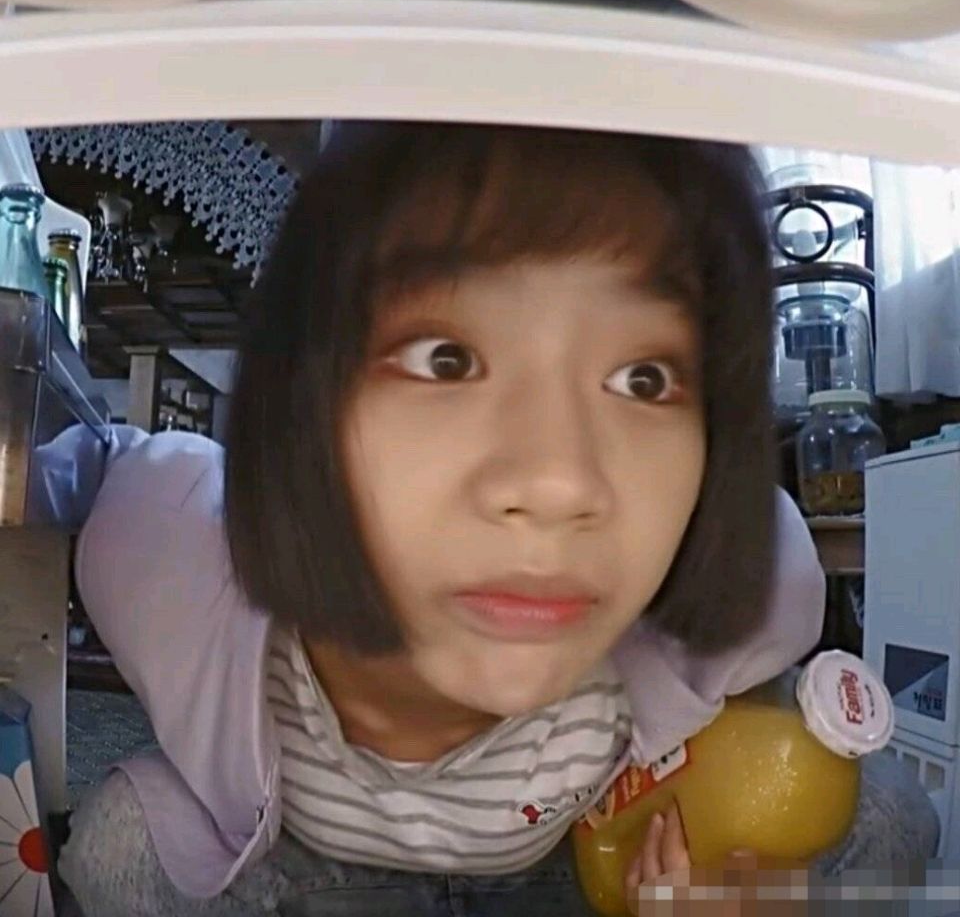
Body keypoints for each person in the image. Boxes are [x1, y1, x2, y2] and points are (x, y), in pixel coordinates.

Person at [56, 122, 936, 917]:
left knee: (888, 814)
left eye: (643, 379)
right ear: (302, 406)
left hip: (571, 853)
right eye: (446, 359)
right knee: (119, 847)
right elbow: (95, 464)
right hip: (302, 858)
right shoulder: (172, 553)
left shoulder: (736, 590)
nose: (558, 482)